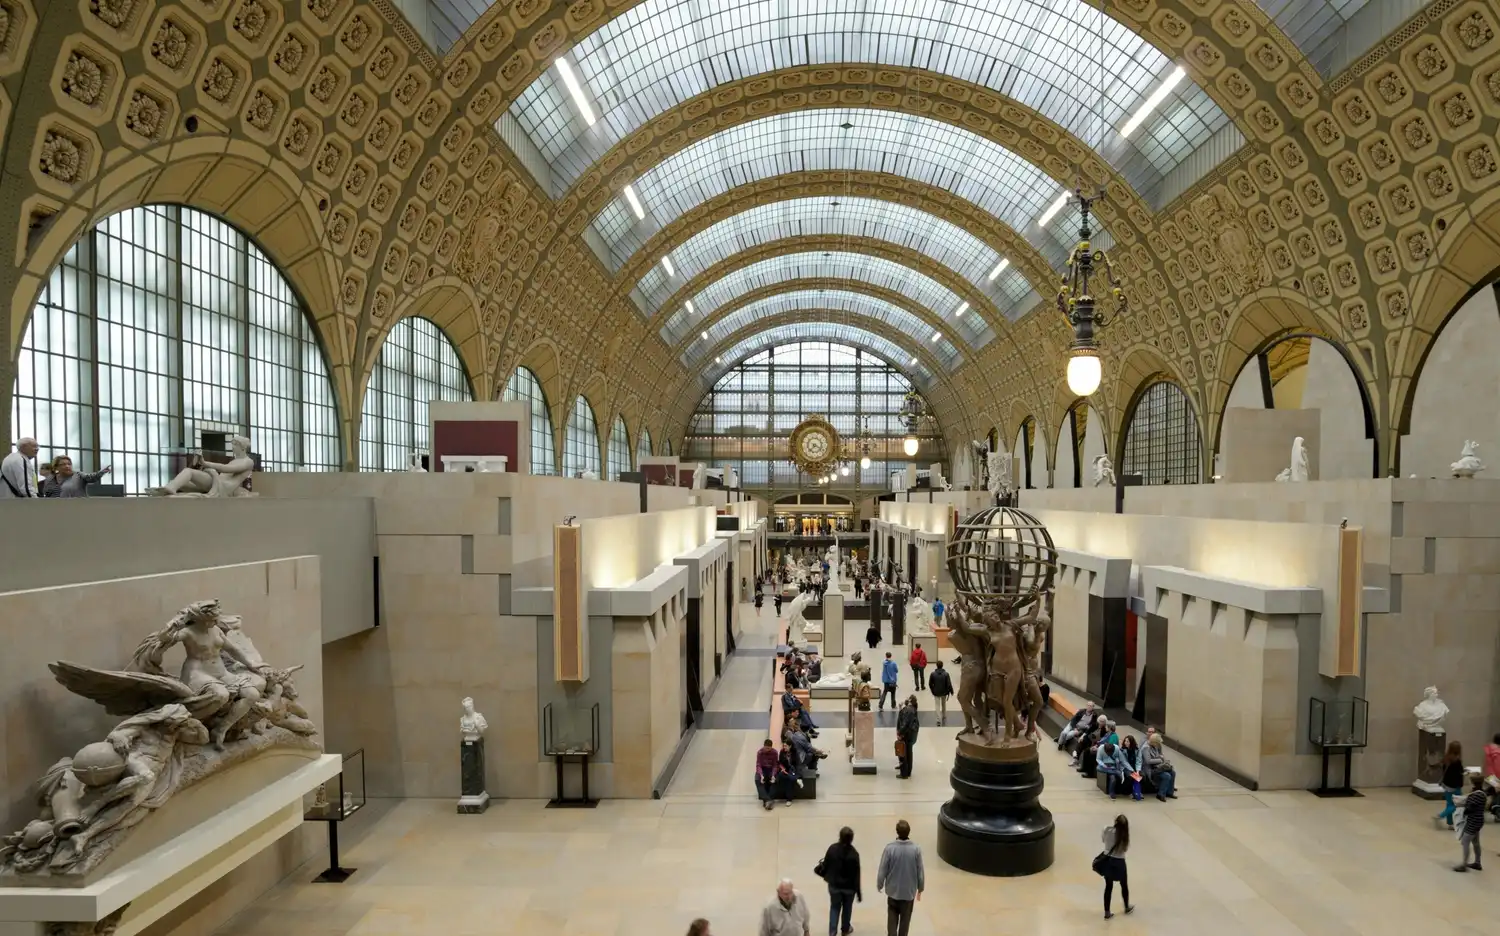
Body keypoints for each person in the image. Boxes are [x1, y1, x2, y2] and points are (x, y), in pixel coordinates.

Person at [875, 819, 924, 936]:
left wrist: (880, 884)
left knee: (892, 918)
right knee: (905, 921)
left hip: (893, 892)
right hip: (908, 893)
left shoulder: (889, 849)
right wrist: (920, 888)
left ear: (897, 832)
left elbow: (883, 869)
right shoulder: (916, 849)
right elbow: (920, 871)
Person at [819, 826, 862, 936]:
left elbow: (826, 865)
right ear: (851, 839)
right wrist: (858, 893)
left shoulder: (832, 849)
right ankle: (845, 929)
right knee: (847, 909)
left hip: (834, 886)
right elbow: (856, 875)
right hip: (849, 888)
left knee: (834, 907)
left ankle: (832, 932)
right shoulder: (854, 854)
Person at [1098, 815, 1133, 918]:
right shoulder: (1124, 836)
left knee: (1108, 887)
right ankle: (1126, 907)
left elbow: (1103, 840)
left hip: (1107, 861)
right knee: (1124, 885)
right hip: (1119, 862)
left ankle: (1107, 912)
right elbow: (1124, 849)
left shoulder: (1106, 829)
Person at [40, 455, 111, 498]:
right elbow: (47, 494)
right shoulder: (50, 478)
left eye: (69, 464)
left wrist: (103, 471)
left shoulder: (78, 475)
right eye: (63, 464)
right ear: (56, 467)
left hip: (78, 507)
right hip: (57, 508)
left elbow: (92, 478)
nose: (67, 466)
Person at [1457, 773, 1487, 871]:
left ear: (1472, 782)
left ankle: (1464, 865)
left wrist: (1461, 805)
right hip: (1478, 820)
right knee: (1476, 842)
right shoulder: (1481, 793)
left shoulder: (1475, 795)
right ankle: (1477, 862)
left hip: (1473, 821)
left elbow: (1469, 809)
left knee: (1465, 841)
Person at [1436, 740, 1464, 828]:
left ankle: (1450, 823)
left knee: (1449, 803)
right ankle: (1441, 815)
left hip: (1447, 785)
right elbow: (1458, 774)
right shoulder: (1457, 761)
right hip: (1455, 786)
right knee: (1458, 804)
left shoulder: (1446, 759)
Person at [1142, 733, 1177, 801]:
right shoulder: (1145, 748)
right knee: (1166, 776)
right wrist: (1160, 759)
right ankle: (1160, 794)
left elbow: (1159, 755)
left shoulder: (1155, 746)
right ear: (1154, 742)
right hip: (1150, 769)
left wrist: (1163, 759)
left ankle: (1169, 792)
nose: (1158, 745)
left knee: (1173, 773)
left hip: (1158, 767)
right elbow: (1148, 761)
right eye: (1157, 743)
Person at [896, 695, 920, 779]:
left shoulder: (908, 710)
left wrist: (900, 733)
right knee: (909, 752)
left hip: (907, 734)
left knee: (903, 753)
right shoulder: (912, 709)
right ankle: (908, 771)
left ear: (909, 701)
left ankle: (904, 773)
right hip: (912, 733)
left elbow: (905, 723)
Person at [1118, 736, 1145, 801]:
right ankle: (1130, 792)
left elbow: (1139, 760)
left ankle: (1138, 791)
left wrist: (1137, 770)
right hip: (1126, 767)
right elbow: (1124, 762)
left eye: (1128, 741)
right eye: (1125, 741)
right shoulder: (1122, 750)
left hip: (1135, 766)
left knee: (1142, 775)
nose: (1126, 743)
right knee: (1131, 776)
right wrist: (1133, 771)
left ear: (1131, 742)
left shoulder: (1137, 750)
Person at [928, 660, 953, 727]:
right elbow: (949, 684)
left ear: (936, 665)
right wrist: (951, 691)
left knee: (937, 705)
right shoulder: (946, 674)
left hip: (936, 692)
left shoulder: (933, 674)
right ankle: (944, 716)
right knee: (943, 704)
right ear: (942, 665)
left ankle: (938, 720)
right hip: (944, 692)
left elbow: (930, 683)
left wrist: (933, 690)